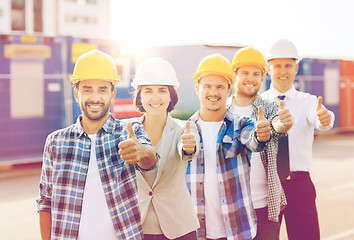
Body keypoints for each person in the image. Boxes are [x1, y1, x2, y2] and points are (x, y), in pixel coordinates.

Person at [36, 50, 158, 240]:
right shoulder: (55, 142)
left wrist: (141, 152)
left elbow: (151, 158)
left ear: (112, 94)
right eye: (87, 89)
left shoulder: (129, 131)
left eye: (102, 90)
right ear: (76, 94)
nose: (95, 97)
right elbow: (45, 202)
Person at [186, 53, 271, 240]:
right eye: (207, 86)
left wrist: (260, 135)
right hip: (198, 232)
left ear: (228, 89)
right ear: (197, 88)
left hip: (237, 231)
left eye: (220, 87)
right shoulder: (185, 130)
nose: (213, 92)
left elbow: (253, 141)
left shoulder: (242, 124)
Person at [262, 39, 335, 240]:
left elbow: (321, 118)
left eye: (288, 66)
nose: (283, 71)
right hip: (267, 185)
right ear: (269, 69)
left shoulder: (308, 101)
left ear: (296, 69)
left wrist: (325, 118)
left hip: (299, 186)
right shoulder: (258, 105)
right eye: (277, 66)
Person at [130, 57, 200, 240]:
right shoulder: (127, 131)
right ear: (140, 96)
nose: (155, 97)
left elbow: (187, 149)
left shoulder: (184, 128)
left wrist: (188, 147)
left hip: (179, 228)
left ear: (171, 96)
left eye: (162, 90)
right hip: (137, 227)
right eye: (148, 91)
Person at [229, 47, 294, 240]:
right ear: (234, 75)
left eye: (256, 74)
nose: (251, 78)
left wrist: (281, 124)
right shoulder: (221, 110)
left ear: (263, 75)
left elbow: (278, 124)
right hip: (229, 209)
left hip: (264, 208)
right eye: (245, 73)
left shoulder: (271, 107)